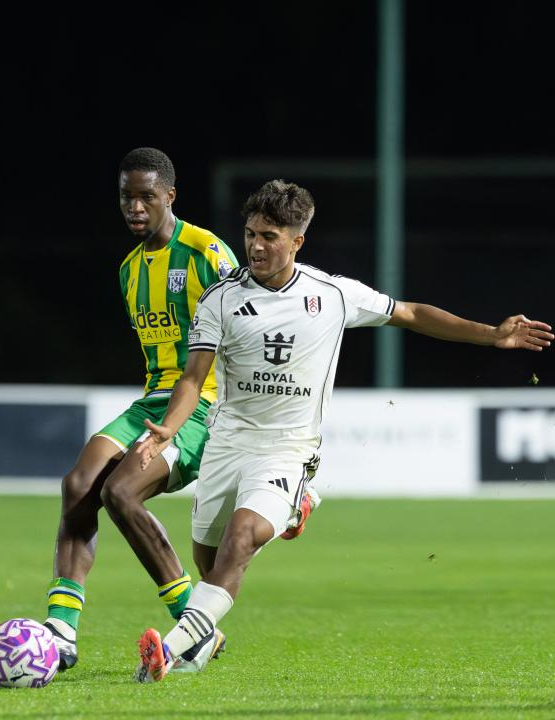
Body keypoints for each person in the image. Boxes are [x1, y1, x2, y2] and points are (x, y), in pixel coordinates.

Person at [133, 179, 552, 682]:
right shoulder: (220, 300)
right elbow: (193, 378)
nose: (256, 246)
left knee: (242, 539)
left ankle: (173, 647)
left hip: (287, 448)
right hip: (228, 443)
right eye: (250, 234)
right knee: (210, 556)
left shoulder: (330, 294)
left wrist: (491, 335)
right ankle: (287, 521)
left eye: (269, 236)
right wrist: (168, 431)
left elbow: (412, 313)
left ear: (296, 242)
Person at [44, 147, 238, 672]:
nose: (134, 207)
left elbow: (248, 322)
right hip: (151, 399)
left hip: (205, 406)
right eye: (126, 197)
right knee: (79, 484)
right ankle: (61, 629)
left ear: (170, 196)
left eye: (146, 197)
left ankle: (195, 626)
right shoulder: (129, 269)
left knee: (121, 491)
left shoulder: (206, 252)